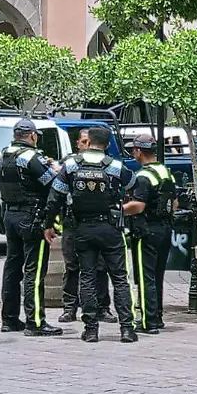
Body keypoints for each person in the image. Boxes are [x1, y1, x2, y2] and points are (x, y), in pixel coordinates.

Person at [43, 126, 137, 344]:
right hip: (110, 228)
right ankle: (127, 329)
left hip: (82, 228)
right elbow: (133, 183)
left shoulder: (71, 165)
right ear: (107, 145)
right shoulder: (114, 166)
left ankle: (91, 329)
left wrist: (48, 223)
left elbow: (55, 196)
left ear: (89, 142)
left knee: (87, 277)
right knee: (120, 278)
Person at [0, 119, 63, 336]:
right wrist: (54, 168)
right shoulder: (31, 157)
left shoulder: (5, 154)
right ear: (33, 136)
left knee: (12, 267)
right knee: (34, 271)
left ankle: (9, 319)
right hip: (31, 216)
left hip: (10, 215)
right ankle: (35, 322)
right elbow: (53, 182)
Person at [123, 134, 178, 334]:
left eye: (133, 149)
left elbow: (138, 206)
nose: (133, 153)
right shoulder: (166, 172)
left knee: (146, 276)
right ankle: (157, 316)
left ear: (139, 151)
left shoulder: (143, 176)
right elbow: (175, 203)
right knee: (157, 274)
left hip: (146, 230)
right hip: (165, 228)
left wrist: (118, 210)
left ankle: (148, 321)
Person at [57, 133, 112, 324]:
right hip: (73, 222)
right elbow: (57, 191)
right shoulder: (69, 164)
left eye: (89, 141)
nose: (87, 145)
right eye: (83, 142)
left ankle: (102, 308)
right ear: (79, 144)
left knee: (100, 267)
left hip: (99, 222)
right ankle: (69, 308)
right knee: (72, 266)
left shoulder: (107, 164)